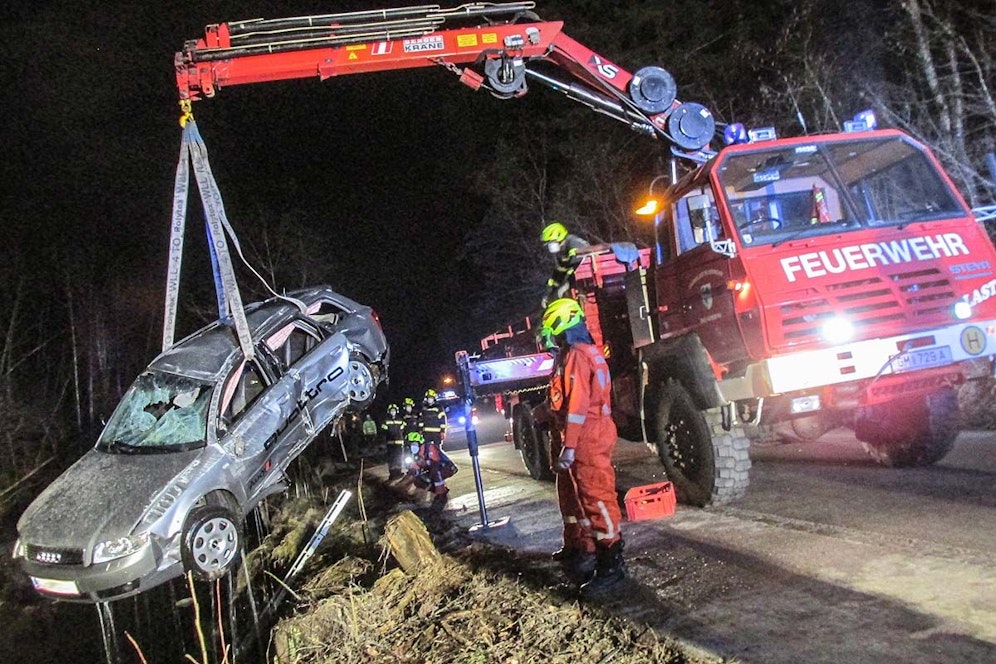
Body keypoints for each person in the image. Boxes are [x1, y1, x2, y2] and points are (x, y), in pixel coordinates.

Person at [541, 297, 624, 595]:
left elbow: (577, 404)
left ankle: (611, 562)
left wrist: (570, 446)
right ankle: (590, 550)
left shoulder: (577, 354)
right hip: (591, 429)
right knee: (584, 495)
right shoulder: (585, 351)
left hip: (588, 432)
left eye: (551, 326)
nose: (549, 334)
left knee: (596, 496)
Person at [540, 221, 590, 307]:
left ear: (559, 237)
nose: (549, 246)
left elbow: (575, 268)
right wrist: (548, 294)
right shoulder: (564, 250)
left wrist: (565, 285)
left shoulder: (573, 243)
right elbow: (558, 274)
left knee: (562, 294)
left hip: (586, 280)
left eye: (550, 243)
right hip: (582, 281)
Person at [418, 388, 449, 505]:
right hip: (426, 435)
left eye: (431, 398)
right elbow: (421, 421)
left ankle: (439, 472)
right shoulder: (424, 409)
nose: (430, 400)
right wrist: (420, 430)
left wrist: (442, 431)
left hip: (435, 435)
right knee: (427, 457)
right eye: (428, 398)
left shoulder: (438, 408)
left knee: (436, 456)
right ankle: (432, 475)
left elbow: (442, 420)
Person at [381, 403, 406, 480]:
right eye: (391, 411)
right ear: (389, 411)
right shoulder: (386, 420)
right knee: (391, 458)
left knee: (398, 458)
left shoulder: (400, 420)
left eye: (394, 411)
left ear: (396, 411)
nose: (393, 412)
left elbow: (403, 429)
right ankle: (392, 474)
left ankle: (398, 472)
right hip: (390, 442)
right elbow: (383, 431)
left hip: (399, 442)